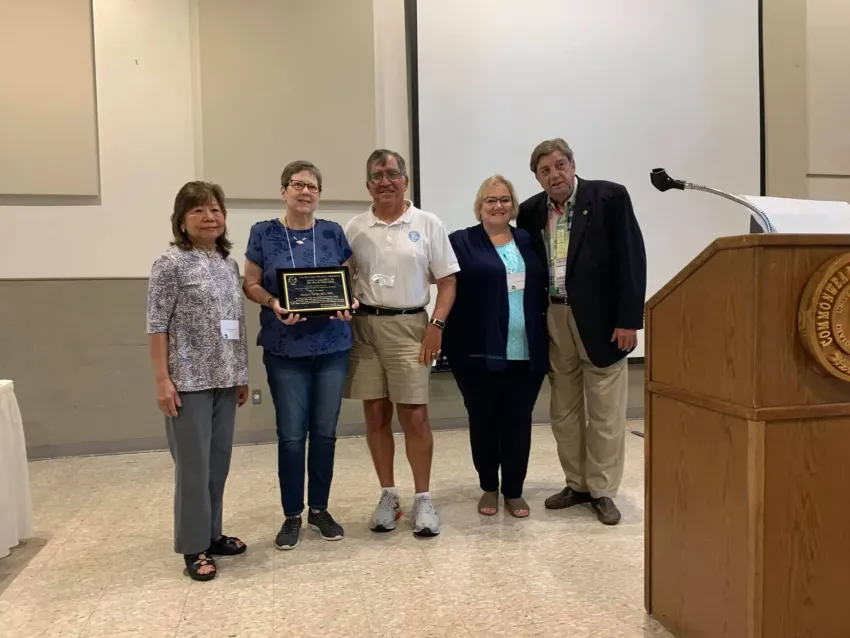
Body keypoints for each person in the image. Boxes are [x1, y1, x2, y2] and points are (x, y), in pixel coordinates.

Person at [517, 138, 646, 526]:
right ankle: (577, 484)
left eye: (559, 165)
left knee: (606, 414)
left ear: (573, 165)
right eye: (545, 170)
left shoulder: (609, 197)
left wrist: (629, 320)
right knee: (564, 411)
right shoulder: (530, 211)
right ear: (537, 178)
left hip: (605, 323)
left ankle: (603, 490)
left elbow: (631, 258)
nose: (554, 175)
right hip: (555, 319)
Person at [344, 149, 459, 537]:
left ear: (405, 180)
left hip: (411, 326)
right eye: (377, 176)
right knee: (375, 415)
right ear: (368, 186)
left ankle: (423, 497)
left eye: (392, 173)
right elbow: (341, 278)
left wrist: (437, 325)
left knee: (414, 416)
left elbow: (447, 280)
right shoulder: (354, 228)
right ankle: (388, 494)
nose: (385, 181)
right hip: (365, 329)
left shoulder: (427, 223)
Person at [243, 160, 356, 551]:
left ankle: (319, 509)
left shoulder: (333, 232)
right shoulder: (263, 233)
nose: (304, 192)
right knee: (292, 436)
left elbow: (346, 281)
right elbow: (250, 283)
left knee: (325, 433)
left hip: (332, 347)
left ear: (319, 195)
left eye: (312, 186)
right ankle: (292, 514)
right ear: (284, 191)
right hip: (284, 349)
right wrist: (274, 302)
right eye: (297, 185)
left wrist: (349, 302)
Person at [146, 181, 250, 581]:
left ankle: (212, 533)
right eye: (198, 211)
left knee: (217, 465)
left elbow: (235, 324)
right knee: (193, 468)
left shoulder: (228, 264)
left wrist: (242, 374)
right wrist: (162, 380)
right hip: (188, 381)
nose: (209, 217)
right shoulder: (170, 263)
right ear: (182, 221)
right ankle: (193, 547)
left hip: (226, 378)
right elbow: (156, 325)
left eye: (215, 210)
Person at [444, 175, 548, 518]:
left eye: (504, 200)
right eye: (491, 200)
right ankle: (489, 486)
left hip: (525, 350)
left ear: (513, 205)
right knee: (484, 422)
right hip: (476, 352)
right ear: (479, 207)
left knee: (518, 422)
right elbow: (445, 285)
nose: (498, 205)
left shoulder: (527, 239)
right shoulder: (460, 242)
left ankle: (514, 491)